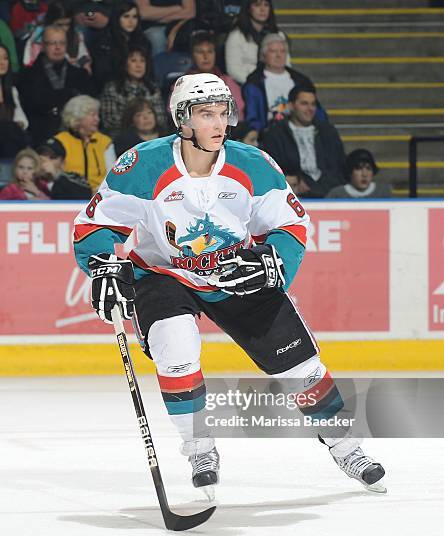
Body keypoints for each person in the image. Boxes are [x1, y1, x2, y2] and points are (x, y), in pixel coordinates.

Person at [73, 73, 386, 498]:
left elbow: (290, 225)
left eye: (223, 113)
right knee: (176, 349)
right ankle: (200, 446)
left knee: (301, 368)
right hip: (165, 275)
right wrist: (102, 265)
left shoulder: (253, 165)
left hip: (237, 271)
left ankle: (345, 445)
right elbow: (94, 225)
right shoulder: (142, 166)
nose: (219, 124)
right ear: (182, 120)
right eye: (206, 115)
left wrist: (272, 263)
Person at [261, 83, 345, 198]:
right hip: (290, 196)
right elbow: (269, 170)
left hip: (328, 194)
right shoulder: (275, 134)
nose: (310, 109)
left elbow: (338, 168)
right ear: (291, 106)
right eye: (304, 104)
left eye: (313, 104)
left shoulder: (328, 132)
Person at [18, 25, 94, 145]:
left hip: (74, 134)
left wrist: (51, 97)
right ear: (43, 45)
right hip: (41, 134)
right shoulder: (28, 75)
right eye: (52, 43)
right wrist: (68, 94)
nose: (58, 47)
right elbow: (32, 103)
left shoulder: (80, 75)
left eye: (61, 43)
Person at [243, 33, 326, 133]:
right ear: (264, 55)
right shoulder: (254, 83)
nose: (279, 55)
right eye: (273, 51)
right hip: (269, 135)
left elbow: (318, 113)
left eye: (283, 51)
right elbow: (253, 118)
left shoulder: (301, 81)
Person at [100, 46, 166, 139]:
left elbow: (161, 119)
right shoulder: (112, 88)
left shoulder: (152, 88)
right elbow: (109, 121)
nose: (139, 65)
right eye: (133, 61)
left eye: (142, 61)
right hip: (121, 140)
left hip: (152, 138)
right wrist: (135, 123)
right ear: (125, 64)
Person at [54, 94, 116, 192]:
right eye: (92, 115)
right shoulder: (60, 141)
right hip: (70, 193)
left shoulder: (105, 142)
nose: (97, 119)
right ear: (78, 116)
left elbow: (112, 176)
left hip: (99, 196)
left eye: (97, 115)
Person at [89, 0, 151, 93]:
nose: (131, 21)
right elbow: (102, 74)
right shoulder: (103, 43)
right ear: (117, 18)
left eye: (134, 17)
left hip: (139, 89)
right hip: (112, 89)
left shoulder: (144, 42)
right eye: (126, 16)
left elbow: (148, 72)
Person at [185, 30, 244, 120]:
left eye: (210, 52)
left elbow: (238, 113)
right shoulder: (183, 84)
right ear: (192, 56)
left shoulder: (227, 82)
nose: (206, 56)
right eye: (200, 52)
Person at [225, 0, 288, 85]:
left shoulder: (278, 35)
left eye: (266, 5)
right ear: (249, 8)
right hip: (245, 85)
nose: (262, 9)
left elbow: (286, 64)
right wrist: (259, 84)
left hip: (276, 83)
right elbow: (233, 70)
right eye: (257, 5)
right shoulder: (236, 36)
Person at [22, 0, 91, 72]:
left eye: (67, 24)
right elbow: (32, 65)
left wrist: (84, 63)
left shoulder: (76, 36)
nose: (64, 29)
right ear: (50, 21)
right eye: (59, 25)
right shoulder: (38, 39)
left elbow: (83, 55)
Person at [0, 44, 29, 158]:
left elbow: (22, 120)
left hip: (9, 145)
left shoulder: (12, 90)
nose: (2, 62)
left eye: (5, 58)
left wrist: (18, 124)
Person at [327, 149, 393, 199]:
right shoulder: (336, 194)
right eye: (359, 169)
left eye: (368, 168)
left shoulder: (383, 192)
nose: (364, 174)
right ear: (350, 172)